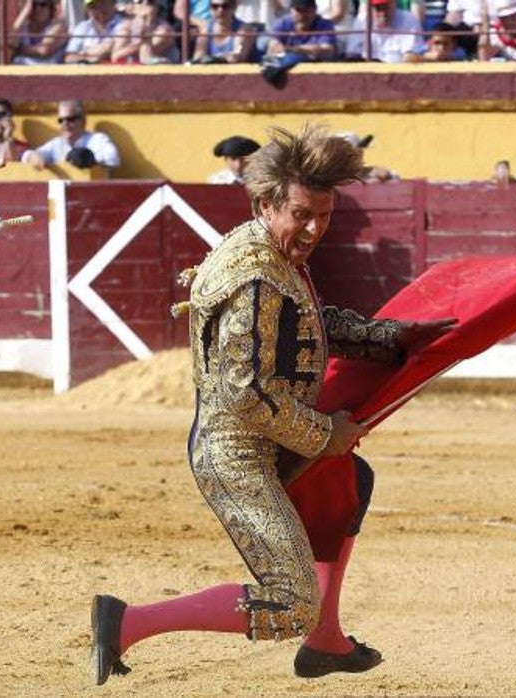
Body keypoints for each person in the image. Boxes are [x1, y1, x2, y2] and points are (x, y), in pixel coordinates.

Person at [90, 125, 455, 686]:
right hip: (238, 455)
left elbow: (310, 325)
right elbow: (246, 392)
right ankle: (126, 623)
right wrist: (321, 435)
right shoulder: (256, 275)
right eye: (303, 214)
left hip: (264, 442)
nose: (314, 229)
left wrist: (389, 338)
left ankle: (327, 643)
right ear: (266, 204)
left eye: (326, 215)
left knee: (350, 482)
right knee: (290, 603)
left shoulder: (267, 251)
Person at [23, 99, 121, 172]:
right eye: (61, 120)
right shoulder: (57, 144)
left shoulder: (97, 139)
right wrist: (33, 156)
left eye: (70, 119)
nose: (65, 124)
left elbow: (113, 159)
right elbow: (30, 155)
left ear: (83, 121)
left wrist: (91, 161)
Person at [343, 0, 425, 62]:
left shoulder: (408, 19)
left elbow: (412, 56)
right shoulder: (362, 20)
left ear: (394, 4)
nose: (382, 13)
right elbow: (352, 55)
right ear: (370, 8)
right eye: (378, 8)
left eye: (386, 7)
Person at [264, 0, 336, 63]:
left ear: (314, 11)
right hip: (287, 64)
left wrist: (291, 49)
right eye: (299, 10)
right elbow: (273, 47)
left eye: (307, 11)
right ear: (291, 10)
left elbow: (327, 50)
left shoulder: (324, 24)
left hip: (316, 66)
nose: (302, 15)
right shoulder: (283, 23)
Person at [111, 0, 179, 63]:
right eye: (139, 1)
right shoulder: (125, 27)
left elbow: (146, 57)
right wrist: (143, 41)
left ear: (157, 7)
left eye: (151, 1)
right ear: (131, 8)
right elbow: (116, 56)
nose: (145, 2)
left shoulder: (165, 29)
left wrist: (146, 26)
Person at [192, 0, 257, 64]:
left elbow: (237, 57)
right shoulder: (206, 29)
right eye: (215, 6)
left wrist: (212, 59)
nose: (220, 10)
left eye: (225, 6)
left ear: (234, 8)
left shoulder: (244, 29)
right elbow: (198, 56)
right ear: (210, 9)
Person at [8, 0, 68, 64]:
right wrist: (23, 14)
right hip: (20, 70)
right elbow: (10, 43)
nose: (37, 8)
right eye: (33, 5)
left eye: (43, 4)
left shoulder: (58, 26)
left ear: (51, 8)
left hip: (46, 72)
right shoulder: (23, 27)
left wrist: (17, 49)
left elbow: (44, 50)